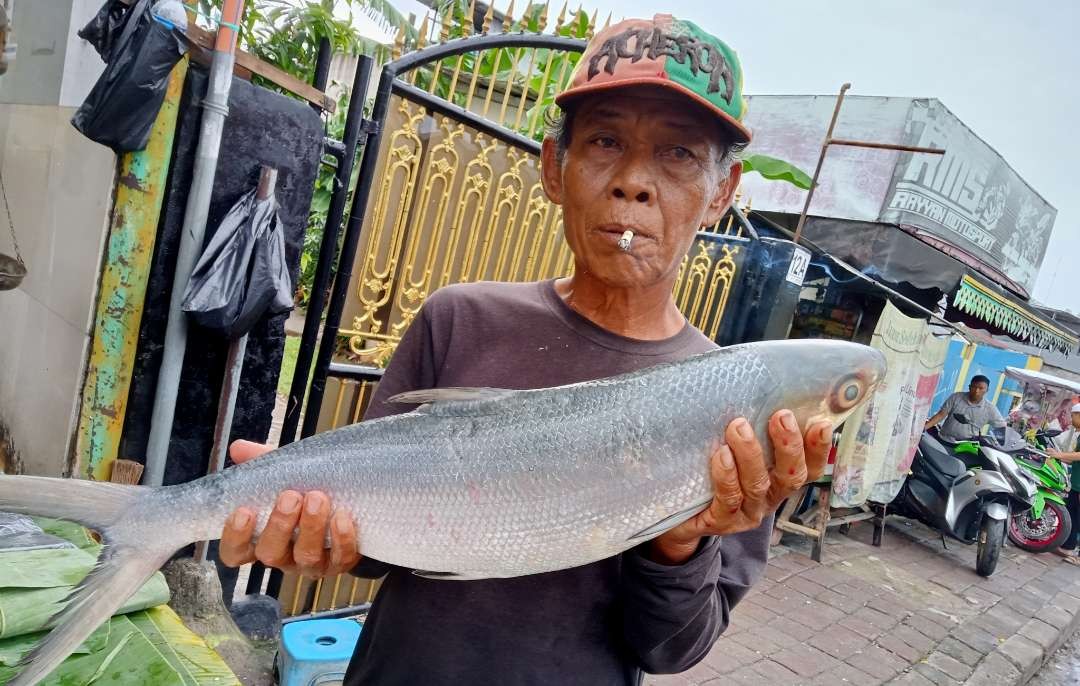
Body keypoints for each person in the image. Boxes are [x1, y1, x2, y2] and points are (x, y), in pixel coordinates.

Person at [219, 15, 833, 684]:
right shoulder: (460, 319)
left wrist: (681, 541)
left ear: (721, 193)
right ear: (553, 166)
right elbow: (377, 540)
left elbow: (671, 651)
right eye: (604, 140)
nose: (634, 182)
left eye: (678, 154)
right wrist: (320, 533)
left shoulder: (738, 408)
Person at [925, 375, 1006, 442]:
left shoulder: (990, 409)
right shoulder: (956, 397)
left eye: (981, 388)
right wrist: (924, 428)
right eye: (974, 387)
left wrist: (998, 441)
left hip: (966, 446)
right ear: (969, 387)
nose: (977, 391)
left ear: (987, 390)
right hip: (943, 439)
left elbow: (1001, 426)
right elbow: (941, 415)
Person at [1049, 404, 1080, 564]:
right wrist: (1056, 456)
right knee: (1072, 515)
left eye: (1073, 415)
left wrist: (1059, 454)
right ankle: (1067, 547)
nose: (1071, 419)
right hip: (1076, 484)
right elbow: (1072, 459)